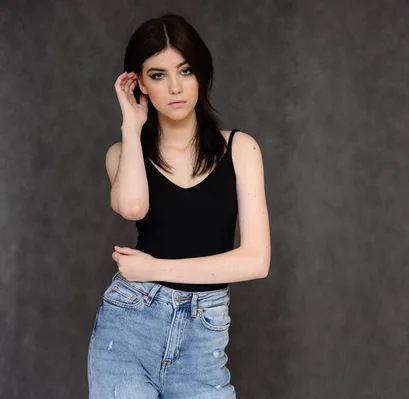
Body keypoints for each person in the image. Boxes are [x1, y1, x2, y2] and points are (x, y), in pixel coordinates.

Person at [87, 13, 271, 398]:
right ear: (138, 84)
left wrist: (155, 267)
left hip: (202, 338)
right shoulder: (123, 153)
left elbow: (256, 260)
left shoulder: (240, 148)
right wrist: (130, 125)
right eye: (157, 75)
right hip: (128, 331)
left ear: (200, 73)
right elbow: (133, 207)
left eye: (185, 70)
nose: (175, 87)